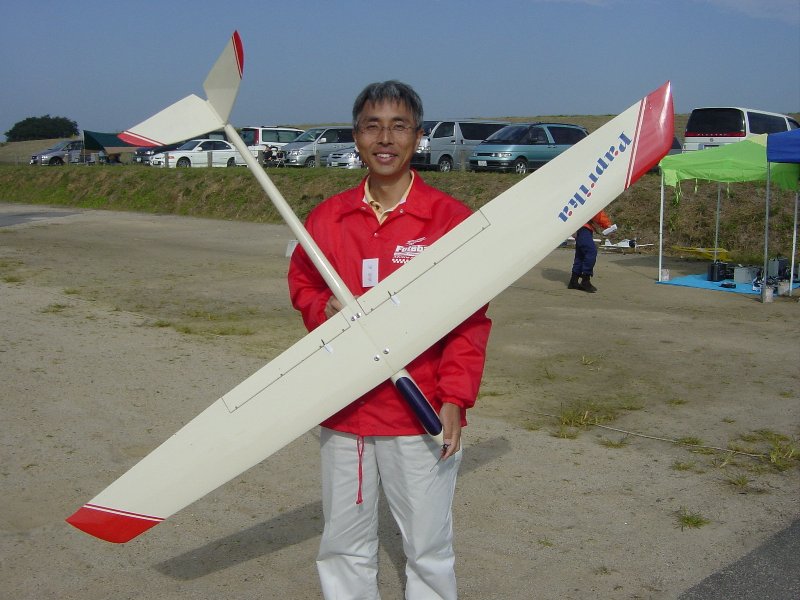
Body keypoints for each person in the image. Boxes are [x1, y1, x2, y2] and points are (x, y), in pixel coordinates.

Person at [288, 80, 492, 600]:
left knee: (427, 545)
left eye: (399, 126)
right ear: (356, 136)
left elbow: (470, 322)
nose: (385, 139)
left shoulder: (450, 220)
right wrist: (321, 309)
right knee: (344, 543)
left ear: (418, 137)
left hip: (419, 409)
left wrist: (455, 398)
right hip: (346, 409)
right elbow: (304, 284)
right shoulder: (326, 218)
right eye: (372, 126)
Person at [568, 210, 616, 293]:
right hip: (583, 228)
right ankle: (585, 280)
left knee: (580, 255)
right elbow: (597, 212)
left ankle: (574, 281)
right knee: (591, 251)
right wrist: (608, 225)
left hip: (580, 227)